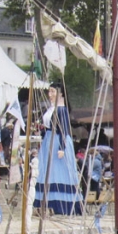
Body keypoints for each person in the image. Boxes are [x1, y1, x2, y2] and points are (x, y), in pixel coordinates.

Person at [34, 82, 83, 215]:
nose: (50, 95)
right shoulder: (51, 108)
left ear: (60, 93)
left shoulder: (61, 109)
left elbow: (65, 130)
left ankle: (61, 204)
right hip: (48, 140)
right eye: (49, 92)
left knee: (57, 171)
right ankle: (44, 202)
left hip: (57, 141)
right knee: (45, 171)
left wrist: (62, 147)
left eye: (53, 92)